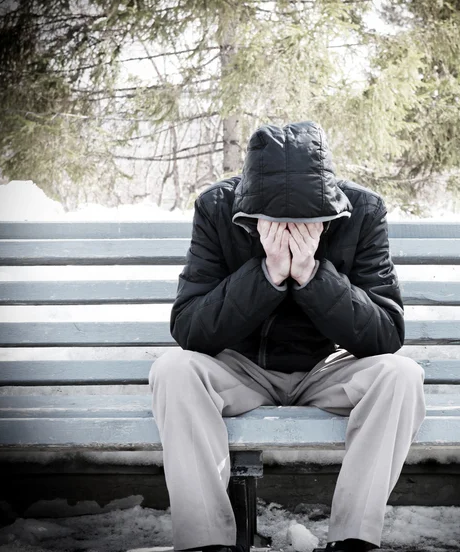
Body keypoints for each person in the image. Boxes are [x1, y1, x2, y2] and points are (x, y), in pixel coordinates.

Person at [148, 120, 426, 552]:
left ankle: (354, 540)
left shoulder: (362, 211)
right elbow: (189, 328)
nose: (290, 231)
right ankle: (205, 543)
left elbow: (386, 333)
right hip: (240, 372)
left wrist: (312, 276)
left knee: (401, 375)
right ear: (251, 210)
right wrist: (267, 275)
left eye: (306, 222)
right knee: (173, 369)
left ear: (328, 210)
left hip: (326, 370)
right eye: (275, 222)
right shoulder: (217, 208)